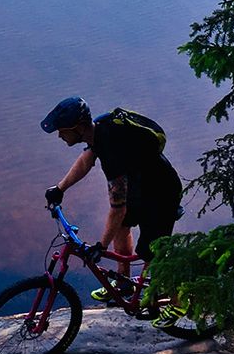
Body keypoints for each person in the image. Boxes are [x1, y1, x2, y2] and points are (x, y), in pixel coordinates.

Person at [41, 96, 182, 302]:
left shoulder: (112, 152)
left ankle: (179, 303)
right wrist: (60, 188)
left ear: (79, 127)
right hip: (140, 185)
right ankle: (123, 284)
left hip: (161, 192)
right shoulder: (99, 128)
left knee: (150, 251)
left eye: (62, 130)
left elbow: (118, 208)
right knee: (122, 228)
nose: (59, 135)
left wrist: (101, 247)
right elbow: (86, 161)